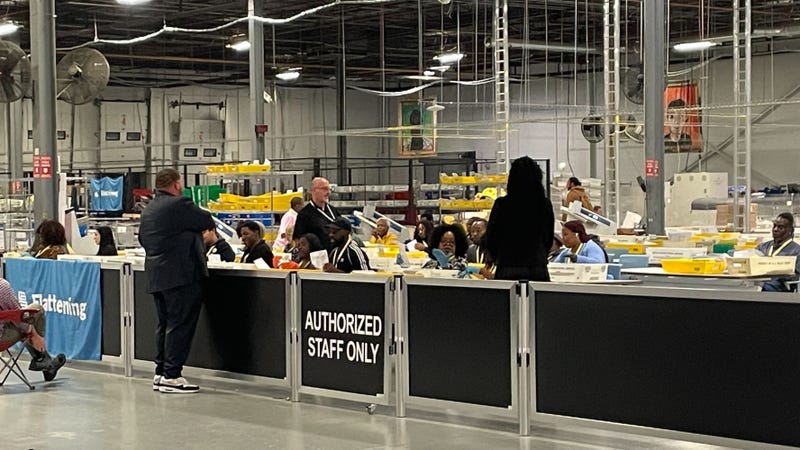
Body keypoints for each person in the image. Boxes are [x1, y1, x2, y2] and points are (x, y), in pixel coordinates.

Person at [138, 168, 214, 394]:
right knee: (180, 324)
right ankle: (172, 375)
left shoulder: (149, 209)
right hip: (180, 275)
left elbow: (143, 238)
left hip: (156, 274)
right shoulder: (179, 204)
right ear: (177, 185)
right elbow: (206, 219)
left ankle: (161, 372)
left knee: (165, 324)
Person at [487, 156, 554, 281]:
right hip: (537, 266)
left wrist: (499, 257)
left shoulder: (501, 205)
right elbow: (548, 238)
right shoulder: (544, 204)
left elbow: (492, 237)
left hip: (507, 265)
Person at [0, 278, 66, 382]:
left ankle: (44, 361)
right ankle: (44, 361)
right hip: (2, 338)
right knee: (36, 311)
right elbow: (19, 317)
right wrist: (35, 335)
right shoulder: (2, 286)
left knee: (22, 323)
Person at [756, 212, 800, 292]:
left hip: (781, 287)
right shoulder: (763, 247)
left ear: (790, 230)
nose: (775, 229)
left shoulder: (796, 251)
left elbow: (794, 278)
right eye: (774, 226)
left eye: (780, 227)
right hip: (757, 282)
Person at [294, 177, 341, 251]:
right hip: (317, 257)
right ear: (314, 190)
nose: (328, 192)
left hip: (335, 253)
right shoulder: (304, 214)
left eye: (329, 189)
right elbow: (298, 240)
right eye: (324, 189)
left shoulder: (333, 211)